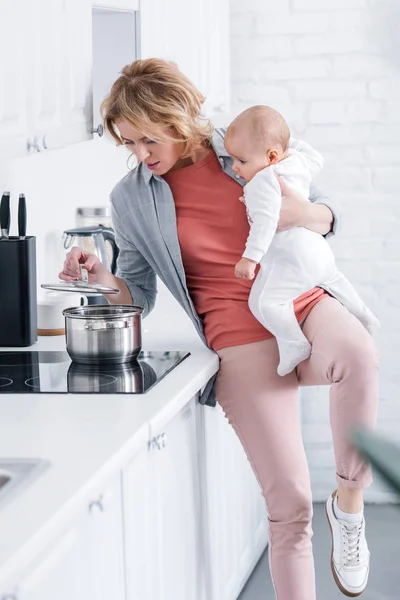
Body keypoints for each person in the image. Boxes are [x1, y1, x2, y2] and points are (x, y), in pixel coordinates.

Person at [59, 59, 379, 600]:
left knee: (360, 355)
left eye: (147, 138)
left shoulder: (245, 144)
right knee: (290, 504)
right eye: (128, 144)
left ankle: (349, 504)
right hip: (237, 332)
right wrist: (100, 276)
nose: (140, 155)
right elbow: (137, 294)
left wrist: (302, 214)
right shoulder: (131, 198)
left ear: (177, 114)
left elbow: (329, 215)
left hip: (300, 299)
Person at [224, 105, 379, 376]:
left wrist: (250, 258)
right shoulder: (295, 162)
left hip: (293, 257)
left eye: (241, 160)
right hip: (318, 250)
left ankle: (294, 343)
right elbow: (315, 156)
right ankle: (364, 314)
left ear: (271, 156)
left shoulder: (261, 182)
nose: (235, 168)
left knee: (263, 303)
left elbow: (264, 223)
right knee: (333, 280)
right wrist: (280, 141)